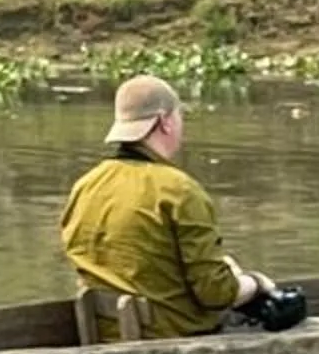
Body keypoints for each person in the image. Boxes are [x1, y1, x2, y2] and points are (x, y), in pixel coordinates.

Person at [59, 75, 305, 338]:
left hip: (103, 332)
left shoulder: (86, 185)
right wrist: (257, 282)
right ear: (164, 122)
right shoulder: (179, 190)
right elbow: (215, 293)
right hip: (168, 335)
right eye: (179, 116)